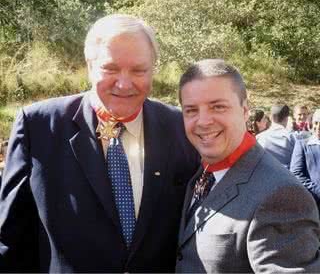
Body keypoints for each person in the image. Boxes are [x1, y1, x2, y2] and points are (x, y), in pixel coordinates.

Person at [0, 14, 199, 272]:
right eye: (111, 69)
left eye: (139, 70)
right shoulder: (38, 126)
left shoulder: (180, 126)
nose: (124, 83)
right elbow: (12, 237)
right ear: (90, 65)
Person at [175, 59, 320, 273]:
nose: (203, 121)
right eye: (191, 110)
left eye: (218, 106)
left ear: (245, 111)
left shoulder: (281, 196)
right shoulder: (202, 173)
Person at [290, 109, 320, 208]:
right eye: (316, 123)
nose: (318, 127)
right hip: (314, 202)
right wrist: (318, 191)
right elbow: (296, 174)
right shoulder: (303, 145)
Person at [256, 103, 296, 169]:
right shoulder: (293, 137)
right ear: (287, 118)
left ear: (270, 117)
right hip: (288, 176)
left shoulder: (259, 138)